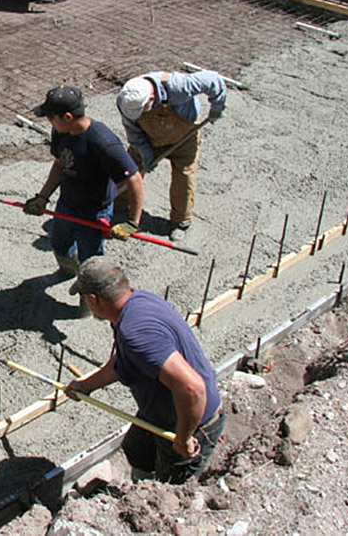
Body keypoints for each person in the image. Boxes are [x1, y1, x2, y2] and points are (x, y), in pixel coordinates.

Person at [65, 256, 225, 483]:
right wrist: (86, 386)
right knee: (136, 450)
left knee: (169, 486)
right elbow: (122, 361)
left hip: (189, 421)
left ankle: (146, 499)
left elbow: (192, 388)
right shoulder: (135, 304)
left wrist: (184, 437)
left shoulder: (136, 333)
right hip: (160, 413)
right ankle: (138, 485)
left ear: (93, 299)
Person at [23, 86, 145, 277]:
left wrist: (133, 221)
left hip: (94, 211)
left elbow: (134, 178)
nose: (48, 122)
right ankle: (69, 270)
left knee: (91, 262)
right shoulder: (61, 131)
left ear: (68, 117)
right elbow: (59, 164)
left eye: (50, 117)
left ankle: (89, 299)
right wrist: (42, 197)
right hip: (67, 203)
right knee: (60, 245)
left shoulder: (103, 143)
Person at [116, 70, 226, 241]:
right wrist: (147, 156)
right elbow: (134, 134)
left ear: (151, 99)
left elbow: (214, 80)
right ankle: (118, 204)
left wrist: (217, 108)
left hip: (184, 138)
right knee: (129, 169)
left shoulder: (179, 86)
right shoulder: (126, 101)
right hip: (149, 138)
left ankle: (180, 222)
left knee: (184, 177)